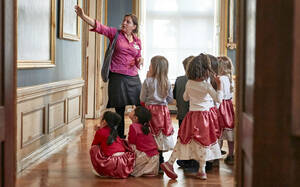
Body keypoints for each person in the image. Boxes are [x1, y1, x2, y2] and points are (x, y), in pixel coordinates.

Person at [75, 5, 143, 139]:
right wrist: (83, 16)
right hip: (117, 76)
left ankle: (140, 135)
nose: (124, 23)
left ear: (134, 26)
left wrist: (140, 59)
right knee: (119, 108)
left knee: (140, 106)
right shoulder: (115, 34)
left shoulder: (137, 41)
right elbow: (100, 27)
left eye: (128, 22)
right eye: (124, 20)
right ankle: (120, 137)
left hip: (133, 77)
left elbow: (138, 56)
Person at [160, 54, 223, 180]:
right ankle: (202, 170)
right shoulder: (206, 85)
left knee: (184, 139)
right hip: (204, 118)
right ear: (205, 70)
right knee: (204, 143)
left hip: (191, 116)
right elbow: (219, 99)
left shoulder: (189, 83)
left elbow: (185, 98)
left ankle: (170, 162)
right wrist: (219, 85)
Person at [139, 55, 174, 171]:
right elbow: (170, 99)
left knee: (151, 133)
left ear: (154, 68)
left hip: (150, 111)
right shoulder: (167, 82)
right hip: (163, 112)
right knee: (160, 134)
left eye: (150, 65)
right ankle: (161, 160)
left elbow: (142, 98)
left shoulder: (147, 81)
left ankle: (153, 159)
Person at [89, 111, 135, 178]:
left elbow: (94, 144)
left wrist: (97, 131)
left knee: (94, 148)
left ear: (104, 121)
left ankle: (106, 170)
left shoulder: (100, 132)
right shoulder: (114, 131)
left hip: (112, 163)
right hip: (125, 161)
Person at [128, 106, 159, 177]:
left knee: (127, 148)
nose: (131, 110)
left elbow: (131, 143)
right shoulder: (146, 127)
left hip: (145, 156)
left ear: (136, 118)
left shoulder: (133, 126)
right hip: (155, 158)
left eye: (133, 110)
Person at [217, 56, 235, 165]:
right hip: (228, 105)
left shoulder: (220, 79)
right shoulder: (229, 78)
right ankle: (231, 154)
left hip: (221, 106)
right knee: (229, 131)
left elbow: (220, 95)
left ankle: (217, 154)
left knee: (219, 131)